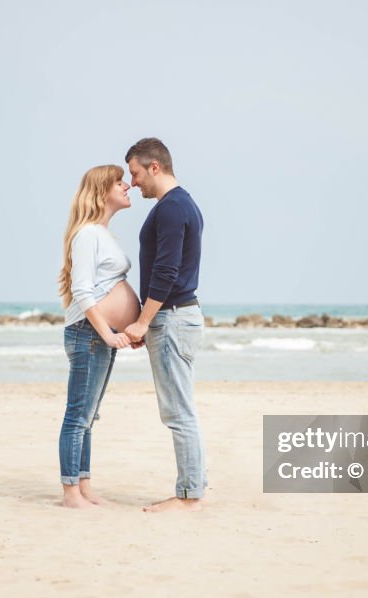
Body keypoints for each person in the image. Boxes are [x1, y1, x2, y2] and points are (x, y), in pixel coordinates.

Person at [122, 138, 207, 512]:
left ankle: (189, 497)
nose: (133, 182)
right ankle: (195, 486)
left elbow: (166, 271)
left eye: (136, 173)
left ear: (154, 167)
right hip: (176, 317)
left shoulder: (173, 208)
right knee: (181, 408)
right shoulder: (179, 204)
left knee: (178, 411)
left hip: (172, 318)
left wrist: (142, 322)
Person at [57, 165, 141, 509]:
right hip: (88, 334)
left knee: (89, 416)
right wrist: (108, 333)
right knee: (78, 415)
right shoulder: (88, 234)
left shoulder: (102, 235)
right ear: (101, 190)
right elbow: (82, 292)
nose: (127, 186)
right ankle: (70, 493)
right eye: (119, 182)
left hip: (99, 336)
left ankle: (85, 485)